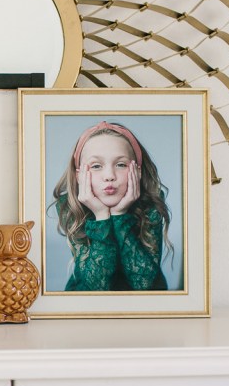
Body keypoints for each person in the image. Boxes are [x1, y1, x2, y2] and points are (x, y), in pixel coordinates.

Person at [51, 121, 171, 291]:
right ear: (79, 176)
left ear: (137, 171)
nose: (109, 175)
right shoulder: (71, 205)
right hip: (85, 300)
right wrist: (101, 216)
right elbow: (97, 286)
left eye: (120, 164)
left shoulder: (150, 203)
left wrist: (120, 215)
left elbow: (144, 284)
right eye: (96, 166)